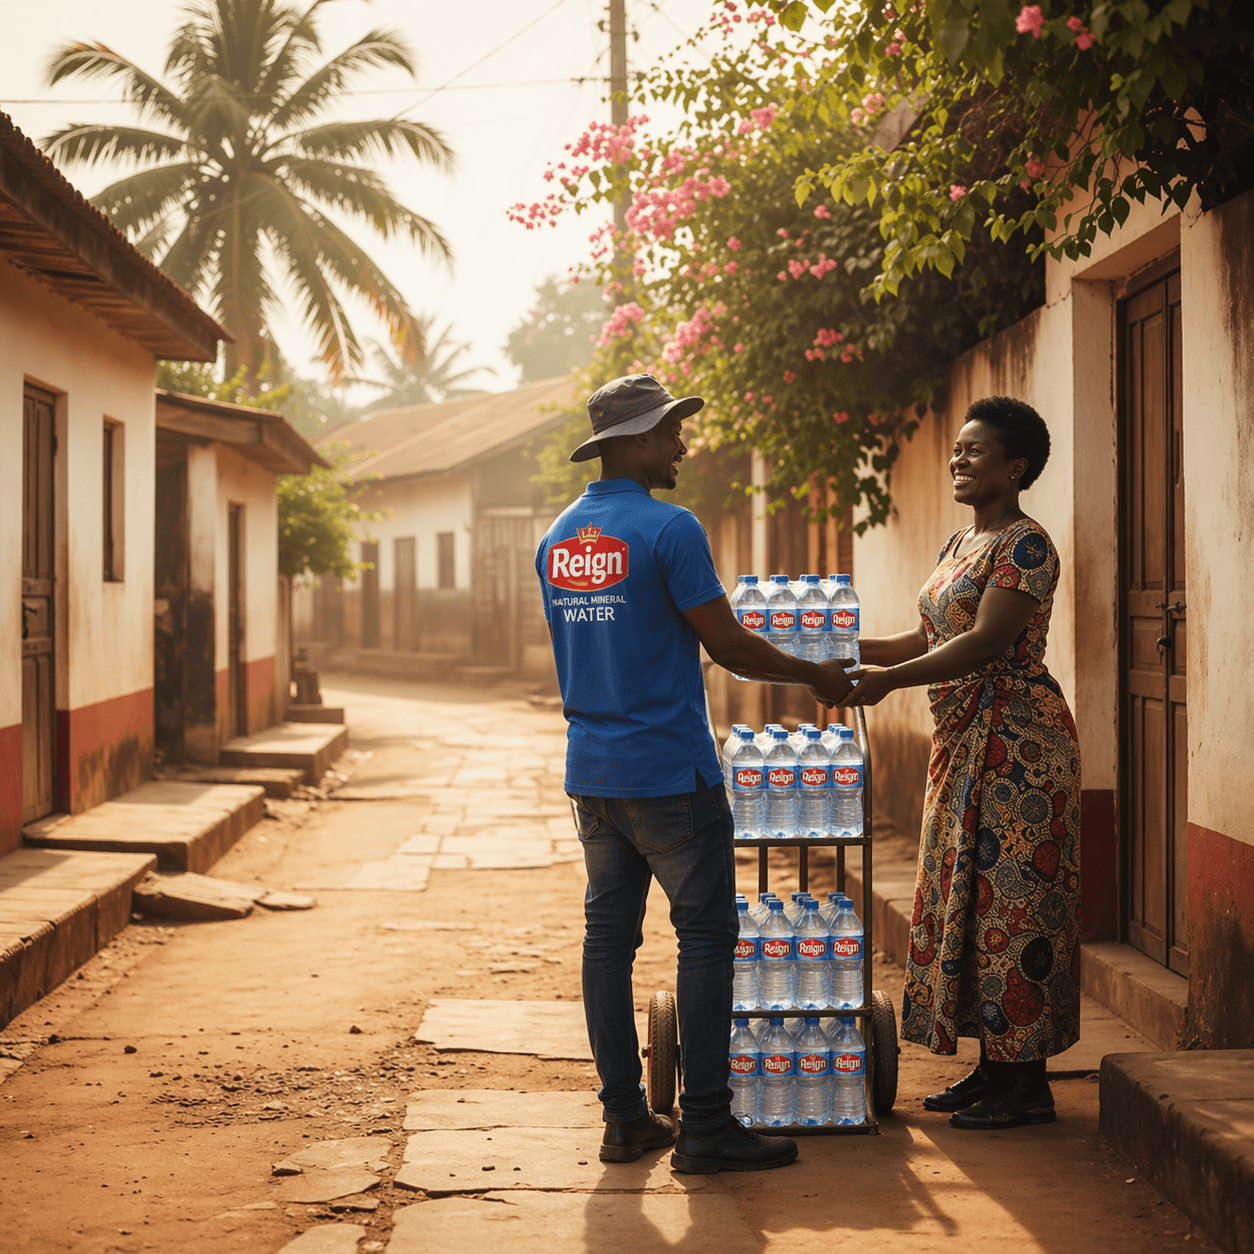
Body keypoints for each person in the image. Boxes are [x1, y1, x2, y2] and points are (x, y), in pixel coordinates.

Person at [536, 373, 855, 1173]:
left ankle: (626, 1121)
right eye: (671, 429)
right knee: (707, 938)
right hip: (671, 770)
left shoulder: (556, 538)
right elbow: (731, 646)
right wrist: (816, 677)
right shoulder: (669, 528)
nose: (682, 442)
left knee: (607, 941)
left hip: (593, 772)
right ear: (636, 441)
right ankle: (707, 1127)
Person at [832, 396, 1081, 1129]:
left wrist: (885, 685)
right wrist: (836, 648)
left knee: (1015, 905)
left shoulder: (1027, 545)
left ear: (1016, 466)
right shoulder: (959, 544)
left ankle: (1026, 1084)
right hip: (963, 743)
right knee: (965, 901)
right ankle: (991, 1068)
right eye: (957, 449)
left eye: (976, 451)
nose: (958, 459)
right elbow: (922, 637)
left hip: (1020, 752)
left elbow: (984, 644)